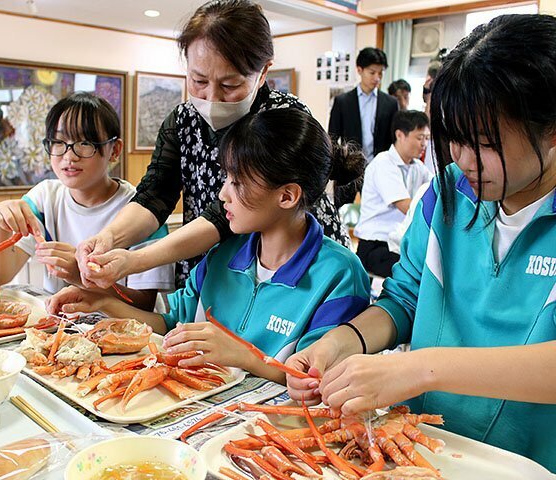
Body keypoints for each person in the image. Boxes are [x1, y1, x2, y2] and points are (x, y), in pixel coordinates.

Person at [285, 14, 556, 471]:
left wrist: (417, 369)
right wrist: (343, 341)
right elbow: (403, 300)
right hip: (424, 450)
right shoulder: (446, 194)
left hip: (527, 464)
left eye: (485, 142)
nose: (463, 159)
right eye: (453, 137)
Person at [48, 108, 370, 385]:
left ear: (287, 196)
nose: (222, 195)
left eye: (237, 183)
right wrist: (101, 301)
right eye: (226, 178)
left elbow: (315, 381)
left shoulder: (339, 275)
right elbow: (169, 326)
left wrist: (242, 355)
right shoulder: (222, 255)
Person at [75, 0, 350, 291]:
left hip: (284, 274)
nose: (212, 97)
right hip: (213, 272)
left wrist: (136, 260)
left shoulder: (282, 119)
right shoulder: (182, 121)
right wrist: (108, 238)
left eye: (230, 85)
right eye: (198, 80)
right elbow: (154, 194)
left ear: (263, 72)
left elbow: (220, 216)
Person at [0, 92, 174, 309]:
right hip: (66, 330)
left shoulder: (142, 210)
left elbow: (144, 304)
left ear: (115, 150)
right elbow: (0, 275)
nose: (69, 156)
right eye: (58, 141)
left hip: (125, 330)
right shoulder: (44, 198)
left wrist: (81, 277)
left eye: (84, 142)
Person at [354, 110, 433, 278]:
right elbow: (407, 207)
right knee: (416, 275)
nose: (424, 144)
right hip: (375, 246)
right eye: (419, 138)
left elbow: (435, 190)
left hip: (399, 244)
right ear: (400, 135)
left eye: (427, 138)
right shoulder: (383, 163)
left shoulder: (418, 167)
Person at [329, 47, 398, 164]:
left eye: (380, 73)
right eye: (372, 73)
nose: (377, 78)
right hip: (350, 168)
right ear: (359, 70)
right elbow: (333, 138)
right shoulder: (342, 102)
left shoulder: (390, 103)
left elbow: (394, 139)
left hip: (380, 167)